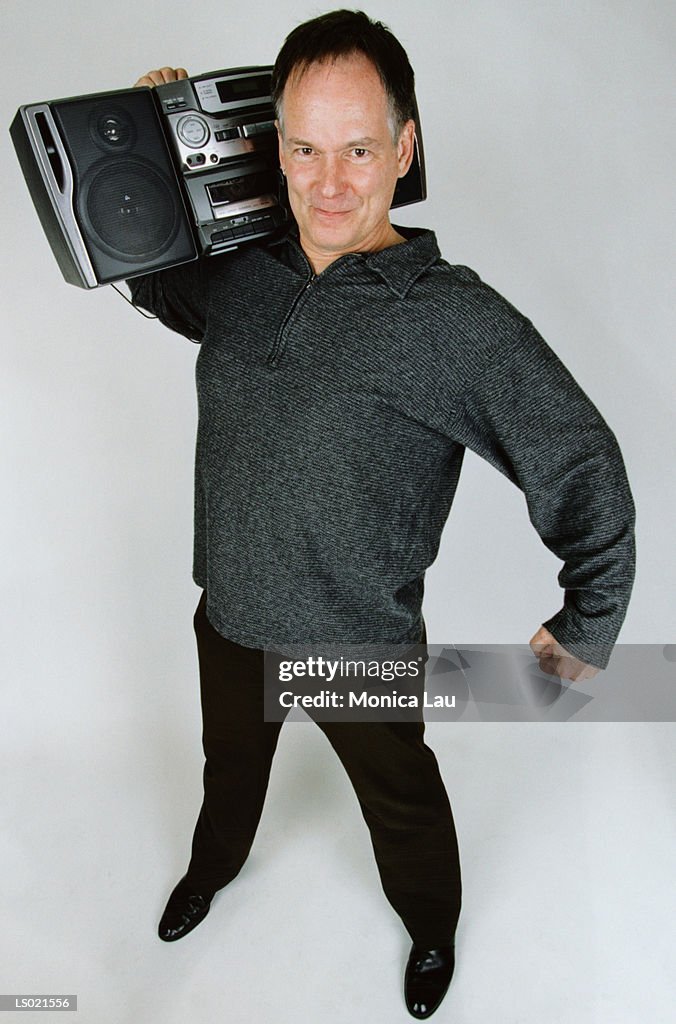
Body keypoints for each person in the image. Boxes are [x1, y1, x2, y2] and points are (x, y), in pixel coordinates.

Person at [129, 9, 635, 1019]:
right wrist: (151, 140)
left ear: (404, 147)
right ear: (276, 148)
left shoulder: (453, 322)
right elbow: (150, 278)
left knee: (401, 809)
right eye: (304, 147)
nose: (327, 182)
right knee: (227, 769)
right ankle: (211, 868)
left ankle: (433, 929)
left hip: (355, 642)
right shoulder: (241, 275)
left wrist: (588, 621)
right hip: (227, 613)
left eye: (358, 148)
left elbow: (579, 455)